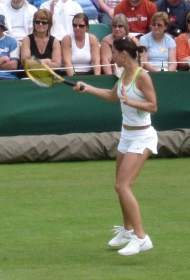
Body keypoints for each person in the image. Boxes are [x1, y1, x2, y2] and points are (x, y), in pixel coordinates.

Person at [73, 37, 157, 256]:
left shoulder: (142, 76)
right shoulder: (123, 76)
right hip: (127, 136)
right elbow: (112, 97)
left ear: (124, 54)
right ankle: (128, 231)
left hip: (142, 137)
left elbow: (153, 106)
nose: (111, 57)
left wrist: (132, 102)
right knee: (120, 185)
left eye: (114, 53)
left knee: (122, 186)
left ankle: (141, 238)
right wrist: (88, 88)